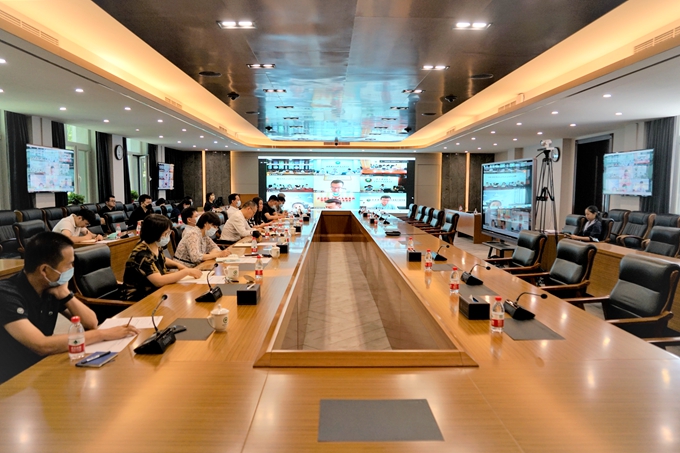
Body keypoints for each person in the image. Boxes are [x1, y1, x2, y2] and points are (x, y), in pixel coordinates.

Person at [0, 232, 139, 383]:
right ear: (45, 270)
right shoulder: (7, 294)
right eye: (68, 264)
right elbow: (41, 345)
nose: (72, 268)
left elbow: (91, 322)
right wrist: (103, 334)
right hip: (12, 380)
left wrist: (65, 294)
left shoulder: (51, 287)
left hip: (41, 368)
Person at [122, 214, 202, 301]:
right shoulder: (142, 254)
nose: (168, 236)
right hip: (139, 299)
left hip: (156, 293)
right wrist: (186, 272)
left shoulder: (154, 245)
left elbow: (161, 259)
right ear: (155, 233)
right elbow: (159, 281)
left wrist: (178, 265)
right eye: (166, 233)